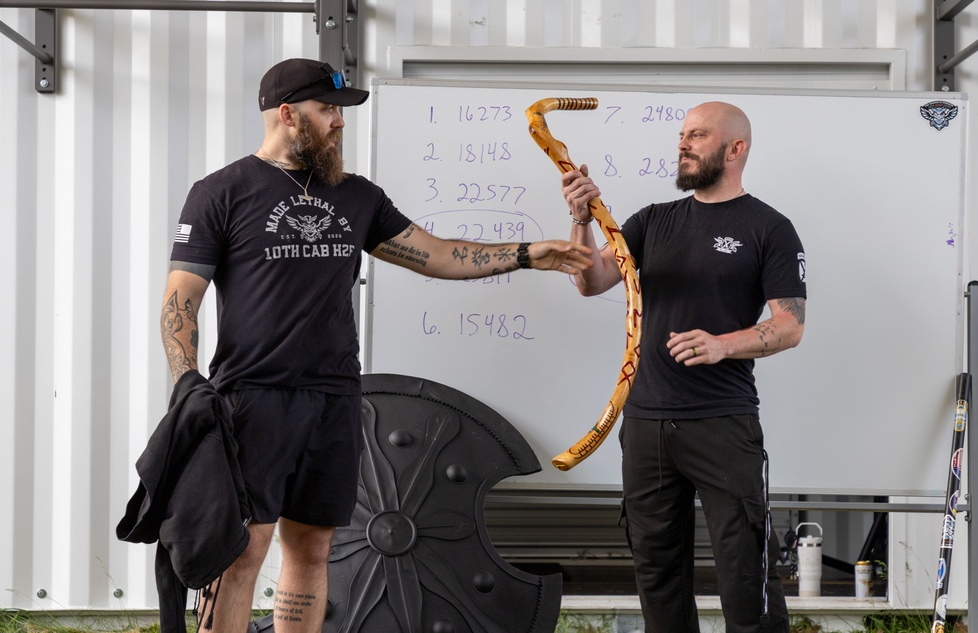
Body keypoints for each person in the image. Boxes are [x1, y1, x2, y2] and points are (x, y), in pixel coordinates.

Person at [159, 58, 593, 633]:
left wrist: (527, 253)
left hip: (334, 399)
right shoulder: (221, 193)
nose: (339, 123)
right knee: (241, 552)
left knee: (313, 550)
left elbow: (436, 254)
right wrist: (186, 385)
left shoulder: (355, 197)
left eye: (339, 112)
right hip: (251, 397)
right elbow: (181, 297)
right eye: (327, 110)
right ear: (289, 115)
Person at [561, 101, 806, 633]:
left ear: (735, 148)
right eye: (682, 135)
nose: (683, 143)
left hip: (723, 423)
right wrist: (580, 222)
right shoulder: (652, 221)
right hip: (645, 423)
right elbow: (591, 281)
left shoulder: (769, 228)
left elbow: (789, 325)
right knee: (657, 573)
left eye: (697, 134)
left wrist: (723, 344)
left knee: (745, 571)